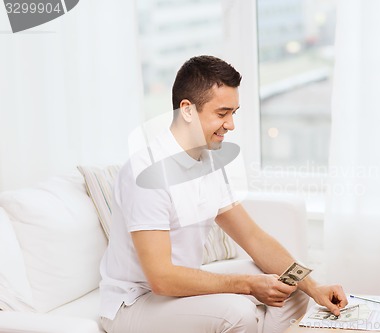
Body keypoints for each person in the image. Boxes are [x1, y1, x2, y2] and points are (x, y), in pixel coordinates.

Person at [99, 55, 347, 333]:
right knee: (236, 312)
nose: (231, 125)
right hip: (135, 303)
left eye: (234, 113)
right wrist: (247, 285)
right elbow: (161, 278)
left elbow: (254, 238)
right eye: (222, 113)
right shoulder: (145, 173)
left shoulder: (209, 164)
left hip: (174, 292)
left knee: (291, 284)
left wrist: (314, 287)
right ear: (188, 110)